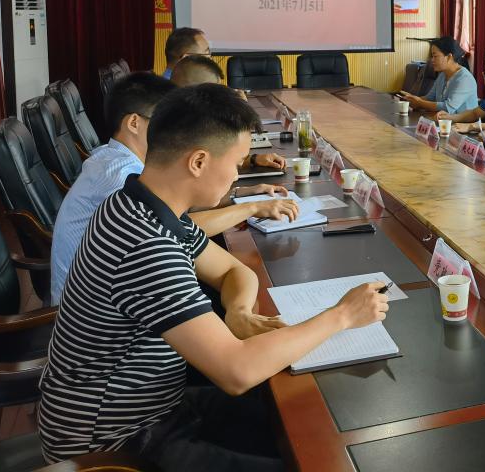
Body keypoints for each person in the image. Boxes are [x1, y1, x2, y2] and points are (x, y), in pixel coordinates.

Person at [39, 84, 389, 469]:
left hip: (160, 401)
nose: (237, 174)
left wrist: (238, 313)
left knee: (307, 428)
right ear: (199, 161)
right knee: (313, 455)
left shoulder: (141, 205)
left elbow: (233, 270)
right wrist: (343, 315)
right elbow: (236, 371)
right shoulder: (144, 244)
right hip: (115, 441)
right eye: (236, 163)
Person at [49, 73, 297, 304]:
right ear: (134, 122)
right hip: (94, 306)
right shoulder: (120, 180)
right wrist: (250, 208)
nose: (177, 128)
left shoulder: (114, 158)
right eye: (164, 119)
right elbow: (172, 228)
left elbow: (181, 218)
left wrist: (241, 194)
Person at [397, 36, 478, 115]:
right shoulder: (442, 75)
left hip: (464, 124)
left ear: (449, 57)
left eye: (435, 56)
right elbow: (429, 98)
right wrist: (411, 99)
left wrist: (419, 102)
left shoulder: (465, 79)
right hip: (445, 122)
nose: (432, 60)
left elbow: (447, 108)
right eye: (432, 56)